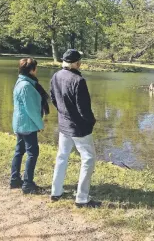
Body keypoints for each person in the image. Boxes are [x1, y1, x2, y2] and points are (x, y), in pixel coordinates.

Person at [50, 49, 101, 208]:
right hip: (79, 128)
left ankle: (55, 192)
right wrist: (91, 121)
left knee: (62, 157)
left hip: (64, 125)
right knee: (89, 159)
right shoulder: (79, 81)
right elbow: (83, 109)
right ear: (77, 63)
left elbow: (53, 98)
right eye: (80, 62)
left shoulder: (56, 76)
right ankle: (82, 198)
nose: (81, 64)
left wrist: (63, 114)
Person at [10, 57, 47, 194]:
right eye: (36, 68)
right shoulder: (26, 86)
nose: (37, 70)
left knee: (19, 151)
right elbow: (31, 109)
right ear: (32, 70)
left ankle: (14, 180)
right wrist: (40, 124)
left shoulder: (20, 82)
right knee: (33, 153)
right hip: (27, 125)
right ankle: (28, 184)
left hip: (20, 123)